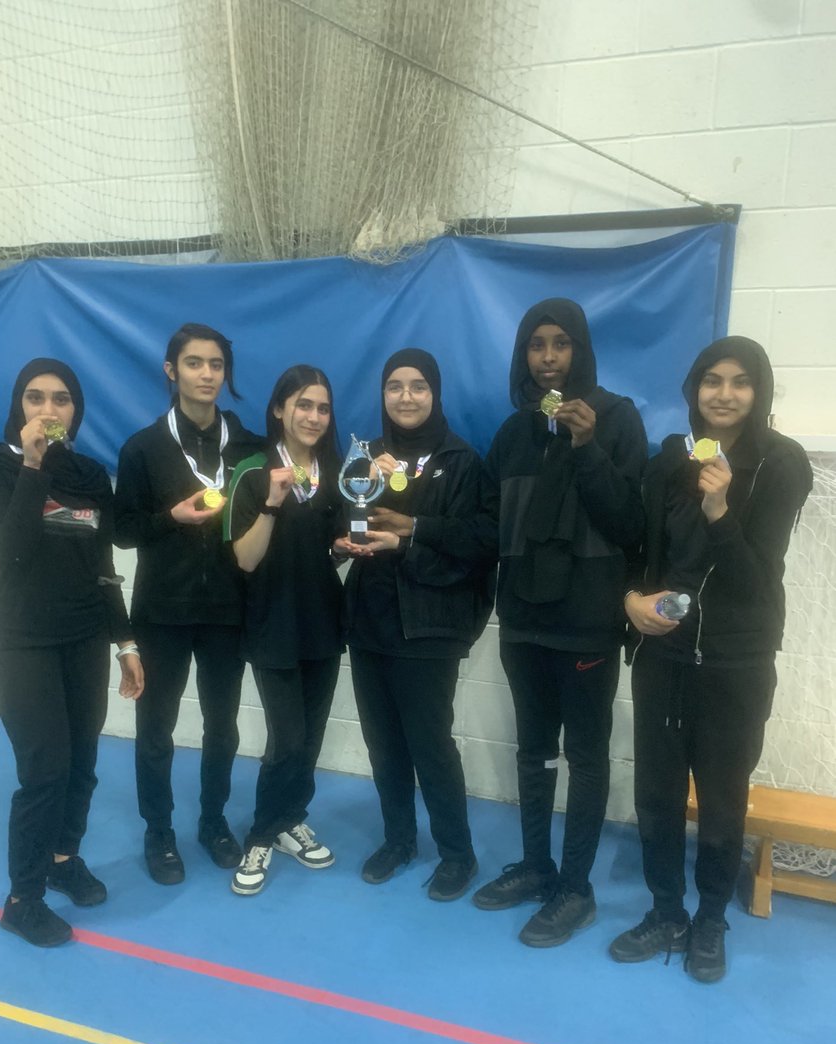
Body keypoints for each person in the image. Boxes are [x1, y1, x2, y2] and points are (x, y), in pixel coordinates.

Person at [610, 336, 812, 982]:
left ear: (760, 392)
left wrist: (721, 508)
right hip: (664, 658)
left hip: (735, 665)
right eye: (711, 381)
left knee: (723, 804)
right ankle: (667, 911)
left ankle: (711, 921)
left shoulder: (781, 465)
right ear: (694, 389)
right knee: (657, 799)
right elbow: (640, 556)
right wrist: (631, 601)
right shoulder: (672, 461)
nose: (724, 394)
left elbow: (756, 580)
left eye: (740, 382)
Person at [473, 298, 648, 946]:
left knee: (585, 755)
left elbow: (632, 524)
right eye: (536, 345)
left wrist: (586, 447)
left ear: (580, 350)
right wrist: (412, 528)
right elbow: (487, 527)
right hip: (523, 624)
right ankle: (538, 866)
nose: (548, 357)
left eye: (561, 343)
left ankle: (576, 888)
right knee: (534, 753)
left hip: (588, 625)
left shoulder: (618, 419)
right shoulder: (513, 432)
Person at [0, 358, 143, 947]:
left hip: (83, 638)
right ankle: (23, 899)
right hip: (21, 641)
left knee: (83, 762)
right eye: (36, 397)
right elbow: (11, 548)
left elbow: (103, 568)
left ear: (76, 410)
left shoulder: (92, 475)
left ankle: (64, 858)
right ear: (20, 406)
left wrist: (125, 643)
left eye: (62, 399)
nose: (49, 409)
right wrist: (35, 464)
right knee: (44, 770)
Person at [114, 324, 264, 885]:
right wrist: (168, 519)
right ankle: (159, 831)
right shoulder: (143, 449)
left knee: (222, 726)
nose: (206, 374)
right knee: (156, 726)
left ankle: (213, 821)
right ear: (171, 371)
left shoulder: (248, 449)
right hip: (162, 612)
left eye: (216, 365)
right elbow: (122, 531)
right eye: (194, 363)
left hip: (228, 608)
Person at [342, 348, 492, 900]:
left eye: (419, 386)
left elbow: (479, 543)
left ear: (435, 394)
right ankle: (399, 839)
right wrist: (343, 541)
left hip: (430, 625)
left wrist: (411, 531)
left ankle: (458, 854)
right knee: (383, 744)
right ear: (383, 395)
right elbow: (348, 522)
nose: (406, 397)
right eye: (395, 387)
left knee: (430, 744)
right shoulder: (365, 456)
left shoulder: (461, 461)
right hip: (370, 621)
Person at [224, 365, 344, 896]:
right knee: (285, 738)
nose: (314, 416)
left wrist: (344, 549)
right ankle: (261, 835)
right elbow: (246, 560)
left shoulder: (338, 470)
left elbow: (332, 547)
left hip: (324, 623)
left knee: (310, 738)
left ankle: (292, 818)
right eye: (303, 405)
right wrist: (272, 502)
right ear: (279, 410)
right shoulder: (252, 472)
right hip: (273, 627)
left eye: (322, 407)